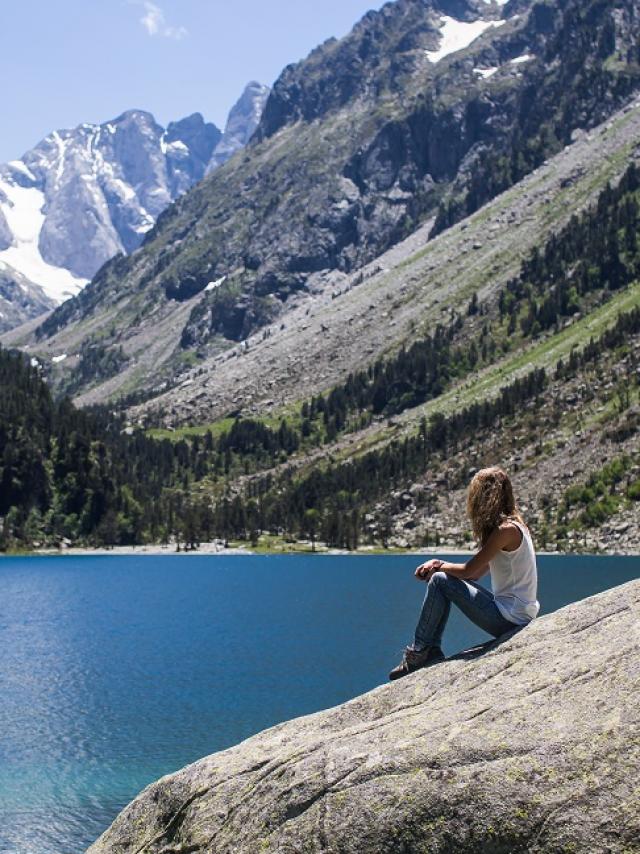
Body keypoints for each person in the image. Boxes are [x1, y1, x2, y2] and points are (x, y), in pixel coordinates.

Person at [389, 466, 540, 680]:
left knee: (440, 580)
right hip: (519, 614)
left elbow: (470, 570)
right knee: (442, 579)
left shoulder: (504, 531)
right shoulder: (516, 527)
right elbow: (475, 574)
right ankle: (427, 650)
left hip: (510, 619)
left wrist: (437, 566)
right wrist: (439, 565)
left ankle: (420, 652)